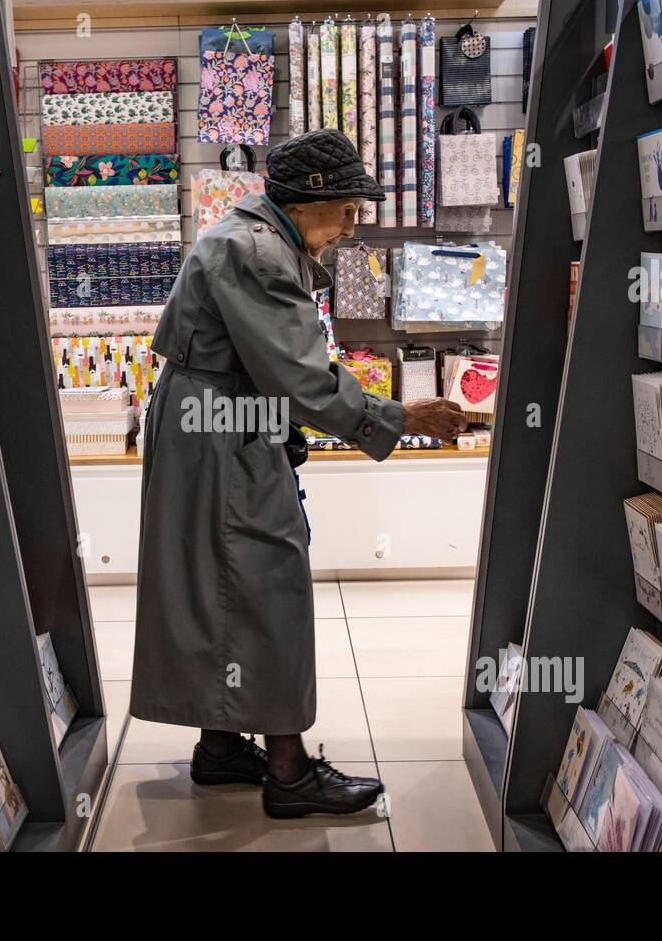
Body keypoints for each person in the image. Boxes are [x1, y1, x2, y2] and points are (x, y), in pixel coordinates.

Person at [130, 129, 469, 818]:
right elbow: (303, 379)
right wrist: (402, 416)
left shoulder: (254, 239)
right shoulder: (257, 251)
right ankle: (287, 772)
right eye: (346, 207)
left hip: (213, 417)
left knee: (223, 579)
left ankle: (221, 744)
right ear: (306, 200)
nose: (352, 224)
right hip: (219, 427)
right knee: (263, 578)